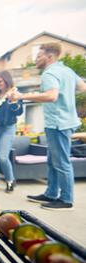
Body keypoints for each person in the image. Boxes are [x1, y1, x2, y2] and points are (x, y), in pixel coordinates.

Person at [10, 43, 86, 210]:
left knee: (61, 162)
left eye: (39, 56)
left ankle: (66, 200)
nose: (36, 59)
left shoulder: (49, 73)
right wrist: (67, 97)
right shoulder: (66, 71)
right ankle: (51, 193)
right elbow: (82, 87)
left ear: (49, 56)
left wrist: (21, 96)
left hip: (58, 124)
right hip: (66, 121)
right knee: (53, 161)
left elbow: (51, 96)